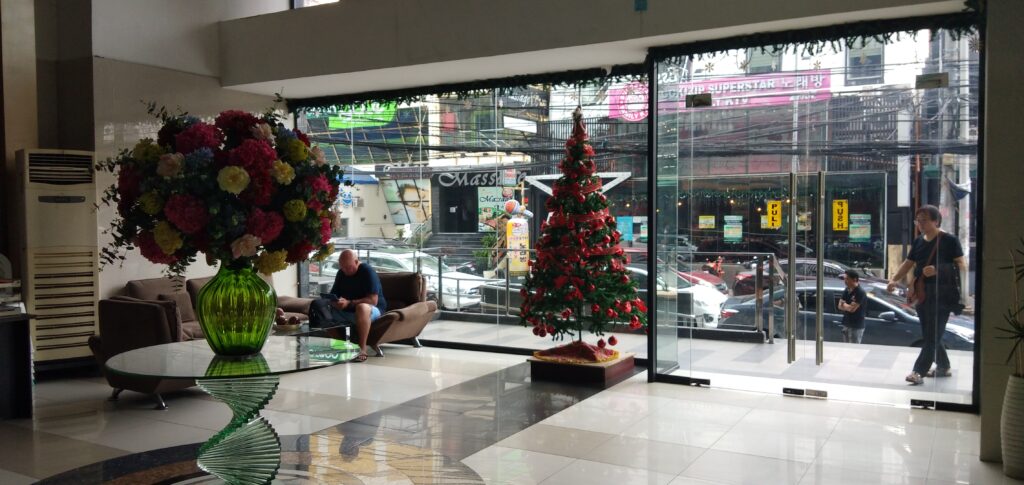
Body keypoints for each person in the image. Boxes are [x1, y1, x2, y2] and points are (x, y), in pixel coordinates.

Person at [887, 205, 966, 385]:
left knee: (931, 335)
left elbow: (962, 265)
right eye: (918, 220)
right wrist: (894, 279)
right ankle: (944, 366)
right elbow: (908, 263)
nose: (920, 224)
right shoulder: (918, 241)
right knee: (930, 333)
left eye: (924, 220)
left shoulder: (949, 240)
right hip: (922, 294)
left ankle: (918, 371)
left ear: (936, 221)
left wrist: (939, 270)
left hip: (943, 295)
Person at [308, 250, 387, 362]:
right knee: (319, 306)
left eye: (348, 267)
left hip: (372, 310)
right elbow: (334, 294)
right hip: (347, 309)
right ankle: (342, 345)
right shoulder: (341, 272)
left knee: (362, 307)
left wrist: (349, 303)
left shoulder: (367, 271)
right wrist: (334, 301)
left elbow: (373, 300)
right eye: (342, 267)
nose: (345, 271)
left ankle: (362, 348)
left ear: (356, 261)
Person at [837, 269, 867, 344]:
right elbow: (839, 305)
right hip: (846, 323)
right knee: (846, 348)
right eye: (844, 279)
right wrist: (845, 305)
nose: (845, 281)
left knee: (854, 349)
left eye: (847, 279)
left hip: (856, 326)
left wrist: (844, 305)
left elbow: (852, 309)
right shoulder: (847, 290)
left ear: (854, 279)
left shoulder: (860, 292)